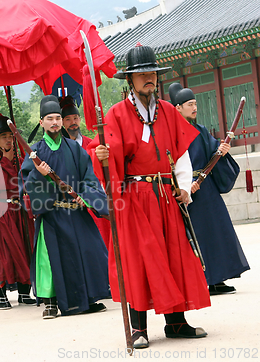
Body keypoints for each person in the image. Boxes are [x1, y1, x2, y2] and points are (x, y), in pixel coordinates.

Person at [91, 44, 210, 349]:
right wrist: (102, 155)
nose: (149, 79)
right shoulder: (116, 115)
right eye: (142, 74)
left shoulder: (169, 111)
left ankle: (177, 322)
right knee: (140, 258)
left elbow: (181, 152)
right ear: (129, 80)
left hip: (165, 193)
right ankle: (139, 327)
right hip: (135, 195)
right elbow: (110, 155)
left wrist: (184, 186)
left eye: (152, 74)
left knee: (174, 253)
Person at [20, 95, 111, 319]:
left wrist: (86, 196)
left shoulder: (74, 148)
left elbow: (90, 178)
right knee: (50, 260)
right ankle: (50, 302)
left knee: (89, 250)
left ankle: (88, 297)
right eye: (50, 118)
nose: (55, 123)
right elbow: (24, 184)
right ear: (41, 122)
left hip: (76, 209)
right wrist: (39, 175)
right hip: (52, 213)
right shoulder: (34, 152)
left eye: (58, 118)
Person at [169, 83, 249, 295]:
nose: (195, 108)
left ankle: (218, 277)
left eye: (195, 104)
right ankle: (205, 278)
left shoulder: (200, 130)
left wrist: (221, 150)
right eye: (190, 104)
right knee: (199, 235)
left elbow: (213, 151)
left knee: (218, 230)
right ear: (178, 108)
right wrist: (185, 185)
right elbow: (172, 163)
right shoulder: (172, 132)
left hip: (206, 189)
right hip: (188, 193)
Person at [0, 114, 36, 309]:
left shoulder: (21, 160)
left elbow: (29, 183)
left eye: (11, 136)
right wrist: (5, 161)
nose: (9, 140)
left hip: (19, 211)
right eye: (4, 136)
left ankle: (23, 292)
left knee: (24, 250)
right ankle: (0, 294)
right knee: (0, 254)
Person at [59, 95, 111, 247]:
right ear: (62, 122)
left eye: (75, 118)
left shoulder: (93, 144)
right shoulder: (60, 149)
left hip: (95, 203)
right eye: (68, 119)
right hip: (72, 207)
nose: (73, 123)